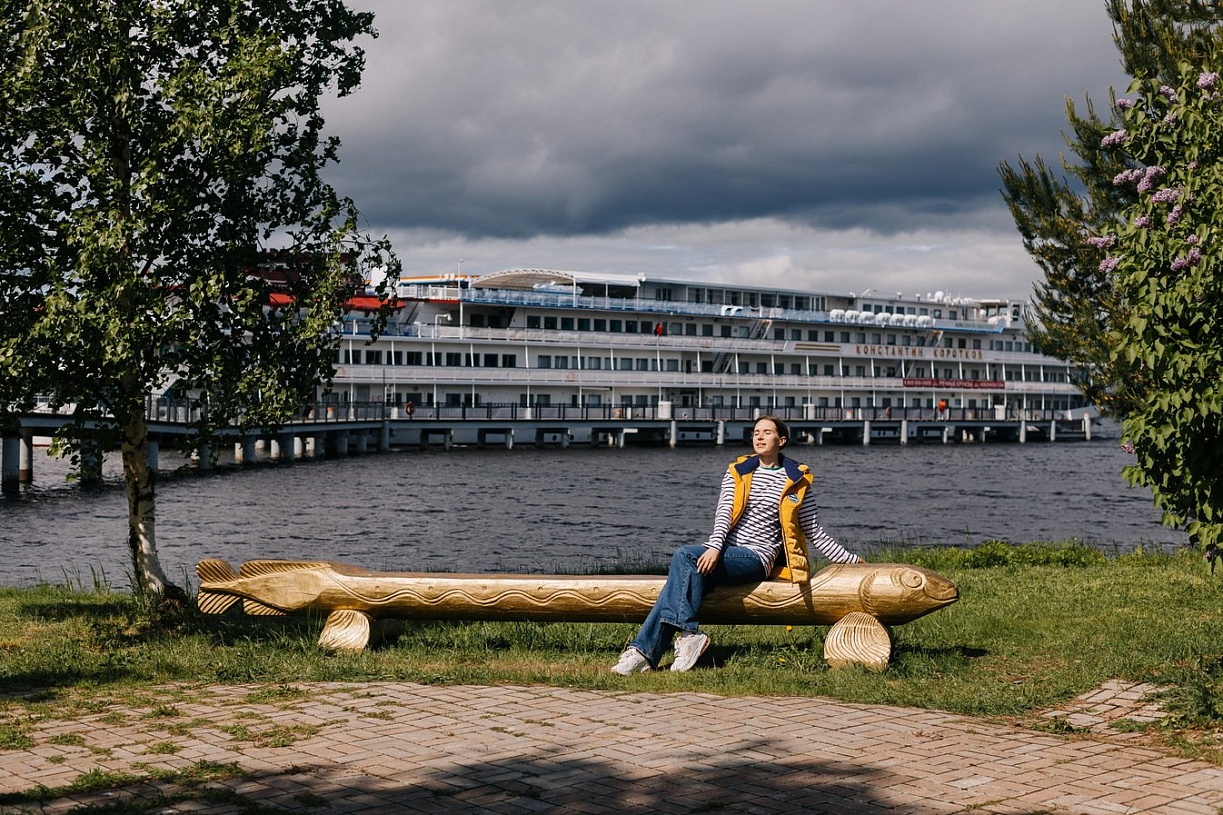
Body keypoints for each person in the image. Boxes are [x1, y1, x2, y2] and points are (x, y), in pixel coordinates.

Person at [611, 415, 864, 675]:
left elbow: (814, 531)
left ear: (781, 440)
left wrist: (852, 561)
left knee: (685, 557)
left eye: (767, 432)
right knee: (680, 581)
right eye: (756, 432)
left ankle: (680, 638)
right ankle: (645, 654)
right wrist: (715, 547)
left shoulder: (797, 481)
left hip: (757, 558)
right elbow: (723, 514)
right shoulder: (738, 472)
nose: (760, 437)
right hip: (725, 551)